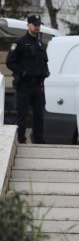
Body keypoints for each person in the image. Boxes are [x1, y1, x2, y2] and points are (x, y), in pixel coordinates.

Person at [6, 14, 50, 144]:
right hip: (24, 85)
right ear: (28, 25)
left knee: (39, 115)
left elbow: (44, 61)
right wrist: (23, 73)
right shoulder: (19, 42)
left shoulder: (40, 43)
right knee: (22, 114)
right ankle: (21, 139)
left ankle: (38, 140)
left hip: (37, 85)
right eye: (35, 25)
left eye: (39, 25)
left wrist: (45, 72)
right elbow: (10, 62)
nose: (37, 27)